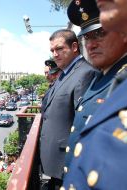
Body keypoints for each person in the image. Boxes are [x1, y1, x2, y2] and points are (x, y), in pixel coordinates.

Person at [64, 0, 127, 170]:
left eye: (100, 33)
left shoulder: (121, 80)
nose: (91, 44)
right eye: (87, 36)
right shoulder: (99, 77)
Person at [40, 29, 98, 189]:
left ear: (74, 47)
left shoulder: (85, 74)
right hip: (56, 166)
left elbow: (83, 126)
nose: (55, 54)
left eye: (59, 49)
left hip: (67, 164)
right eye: (52, 50)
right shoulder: (66, 73)